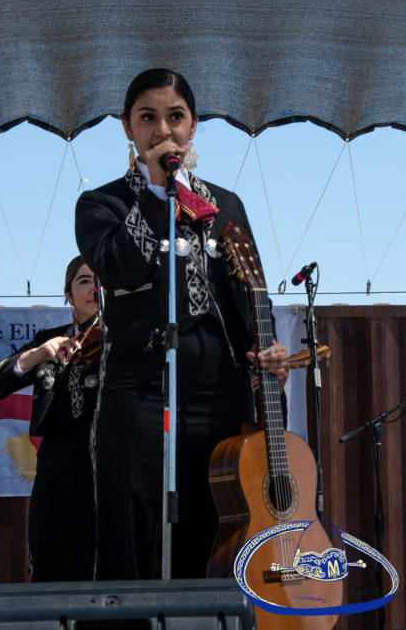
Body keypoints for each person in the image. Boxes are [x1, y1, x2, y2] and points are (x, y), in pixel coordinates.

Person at [74, 68, 289, 581]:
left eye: (175, 117)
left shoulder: (225, 205)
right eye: (147, 118)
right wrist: (153, 192)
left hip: (221, 395)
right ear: (128, 128)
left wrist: (270, 350)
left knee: (220, 529)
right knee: (137, 535)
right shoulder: (102, 203)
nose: (162, 130)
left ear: (193, 127)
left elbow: (247, 294)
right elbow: (122, 268)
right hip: (139, 391)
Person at [0, 257, 100, 582]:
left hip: (112, 468)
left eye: (101, 281)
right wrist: (40, 354)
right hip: (60, 467)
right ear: (68, 293)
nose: (94, 289)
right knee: (55, 563)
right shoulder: (50, 340)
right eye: (84, 281)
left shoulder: (126, 342)